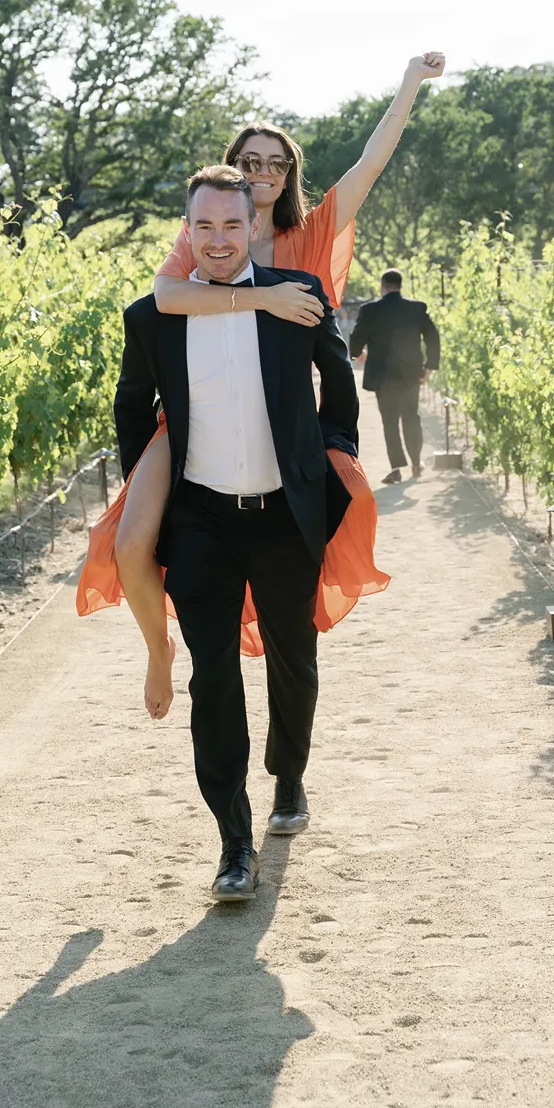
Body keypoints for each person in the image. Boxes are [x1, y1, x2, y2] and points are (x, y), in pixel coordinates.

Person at [77, 53, 446, 718]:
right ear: (232, 173)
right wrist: (260, 302)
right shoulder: (209, 230)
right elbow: (162, 296)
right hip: (197, 412)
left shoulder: (311, 232)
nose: (263, 172)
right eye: (250, 162)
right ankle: (160, 652)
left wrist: (408, 84)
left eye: (276, 162)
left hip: (282, 413)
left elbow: (370, 162)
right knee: (129, 541)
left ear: (289, 173)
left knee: (340, 503)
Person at [113, 166, 359, 901]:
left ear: (254, 225)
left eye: (231, 225)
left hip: (285, 516)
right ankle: (233, 842)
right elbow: (132, 403)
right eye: (203, 227)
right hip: (201, 521)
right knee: (211, 677)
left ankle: (289, 777)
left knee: (294, 659)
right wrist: (147, 496)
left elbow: (338, 385)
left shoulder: (297, 299)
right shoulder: (152, 317)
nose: (218, 240)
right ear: (185, 232)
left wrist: (330, 468)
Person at [349, 269, 440, 484]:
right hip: (410, 375)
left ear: (383, 286)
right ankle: (416, 463)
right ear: (400, 285)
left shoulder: (370, 311)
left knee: (389, 422)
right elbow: (433, 337)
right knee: (411, 417)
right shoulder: (416, 308)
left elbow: (356, 339)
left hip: (383, 378)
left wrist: (358, 354)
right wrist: (429, 366)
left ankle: (397, 468)